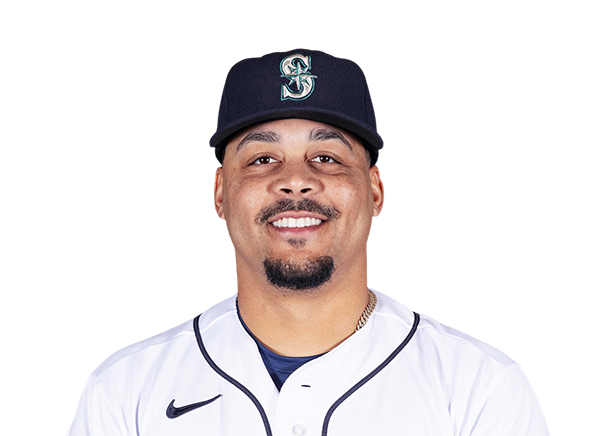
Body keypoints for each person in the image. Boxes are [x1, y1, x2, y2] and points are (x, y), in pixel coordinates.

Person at [67, 50, 549, 435]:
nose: (295, 181)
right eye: (261, 159)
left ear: (376, 192)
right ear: (220, 195)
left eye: (326, 156)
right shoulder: (126, 390)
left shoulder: (479, 389)